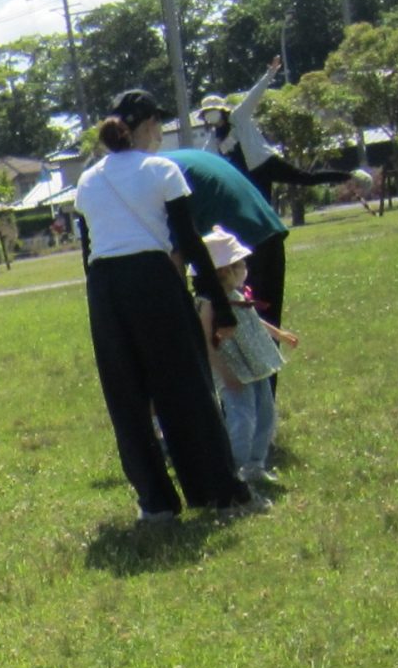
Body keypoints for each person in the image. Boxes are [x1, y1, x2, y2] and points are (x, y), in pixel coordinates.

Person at [72, 90, 259, 522]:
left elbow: (88, 253)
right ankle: (217, 491)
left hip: (104, 288)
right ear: (148, 125)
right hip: (153, 279)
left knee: (127, 397)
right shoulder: (162, 170)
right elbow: (189, 241)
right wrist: (220, 305)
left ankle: (155, 503)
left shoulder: (88, 180)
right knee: (187, 387)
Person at [199, 230, 298, 489]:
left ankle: (255, 464)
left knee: (265, 413)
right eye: (240, 264)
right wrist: (225, 374)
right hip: (233, 370)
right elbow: (205, 342)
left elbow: (252, 319)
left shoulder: (237, 295)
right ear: (225, 270)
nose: (245, 269)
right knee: (241, 418)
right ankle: (234, 469)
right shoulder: (208, 303)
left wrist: (278, 333)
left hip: (255, 364)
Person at [170, 142, 292, 337]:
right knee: (263, 335)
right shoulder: (173, 160)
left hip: (234, 247)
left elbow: (175, 257)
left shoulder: (156, 176)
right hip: (266, 225)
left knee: (237, 335)